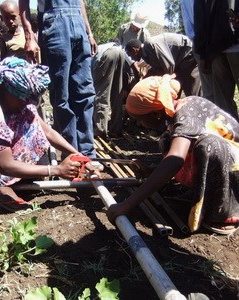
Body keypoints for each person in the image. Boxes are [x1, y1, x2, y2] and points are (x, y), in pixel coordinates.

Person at [0, 57, 94, 212]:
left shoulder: (8, 97)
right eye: (24, 99)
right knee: (27, 159)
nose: (27, 102)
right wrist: (57, 170)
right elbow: (5, 165)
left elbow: (45, 130)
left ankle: (9, 180)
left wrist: (78, 154)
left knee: (30, 122)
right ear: (8, 90)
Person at [107, 74, 239, 235]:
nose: (138, 124)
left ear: (155, 113)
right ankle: (202, 189)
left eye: (140, 120)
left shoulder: (186, 114)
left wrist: (127, 205)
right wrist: (152, 170)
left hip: (235, 166)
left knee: (210, 147)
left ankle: (225, 213)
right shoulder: (175, 113)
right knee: (167, 140)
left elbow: (175, 160)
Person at [19, 0, 98, 159]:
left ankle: (89, 154)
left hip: (79, 24)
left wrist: (89, 33)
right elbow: (23, 3)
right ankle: (72, 153)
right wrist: (29, 36)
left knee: (85, 94)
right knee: (62, 96)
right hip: (55, 23)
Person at [194, 0, 239, 120]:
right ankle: (231, 135)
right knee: (222, 105)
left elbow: (200, 24)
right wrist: (203, 54)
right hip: (218, 51)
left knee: (223, 104)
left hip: (218, 49)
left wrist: (203, 53)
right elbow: (200, 23)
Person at [125, 33, 201, 97]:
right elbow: (157, 70)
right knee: (174, 90)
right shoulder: (145, 56)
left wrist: (165, 81)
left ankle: (201, 111)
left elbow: (169, 66)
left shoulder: (150, 45)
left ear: (134, 50)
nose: (132, 58)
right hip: (179, 62)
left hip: (189, 55)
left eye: (130, 55)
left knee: (191, 90)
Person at [179, 0, 214, 101]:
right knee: (218, 88)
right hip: (210, 40)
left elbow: (188, 25)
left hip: (201, 41)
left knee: (210, 88)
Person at [92, 42, 125, 138]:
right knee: (117, 92)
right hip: (119, 51)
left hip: (106, 54)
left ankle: (100, 129)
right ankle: (116, 128)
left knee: (101, 93)